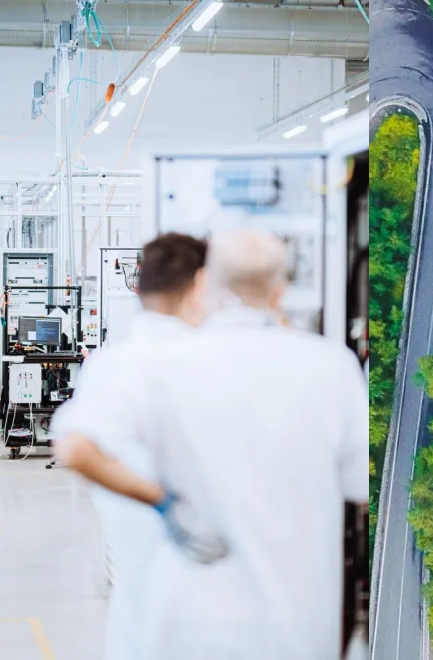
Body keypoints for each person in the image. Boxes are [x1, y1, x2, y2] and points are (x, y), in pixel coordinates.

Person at [57, 228, 369, 660]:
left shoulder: (159, 364)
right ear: (283, 289)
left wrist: (165, 503)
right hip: (298, 626)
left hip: (187, 617)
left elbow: (74, 446)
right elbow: (362, 487)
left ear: (207, 285)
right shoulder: (329, 365)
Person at [51, 233, 209, 660]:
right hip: (199, 606)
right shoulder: (202, 359)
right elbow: (75, 447)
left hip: (138, 605)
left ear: (139, 289)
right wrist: (163, 501)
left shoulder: (110, 361)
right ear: (201, 285)